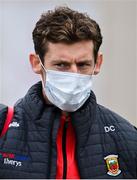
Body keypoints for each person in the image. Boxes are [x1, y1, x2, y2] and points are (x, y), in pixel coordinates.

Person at [0, 6, 137, 179]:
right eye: (61, 65)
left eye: (82, 64)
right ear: (36, 63)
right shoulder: (4, 130)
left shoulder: (127, 138)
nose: (73, 74)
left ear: (98, 63)